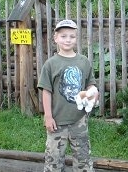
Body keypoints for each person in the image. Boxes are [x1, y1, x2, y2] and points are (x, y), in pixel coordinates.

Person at [37, 19, 98, 172]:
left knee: (83, 159)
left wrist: (92, 92)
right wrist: (48, 117)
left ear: (76, 39)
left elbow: (91, 84)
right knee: (54, 160)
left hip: (79, 121)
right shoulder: (51, 64)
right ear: (55, 38)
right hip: (57, 122)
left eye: (71, 36)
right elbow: (46, 91)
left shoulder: (83, 62)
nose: (68, 40)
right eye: (63, 36)